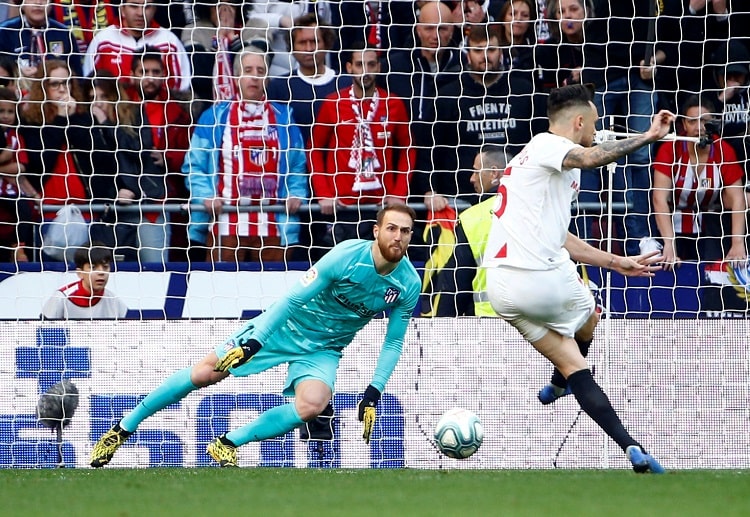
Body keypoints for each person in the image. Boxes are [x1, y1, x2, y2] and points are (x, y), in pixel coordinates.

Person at [89, 204, 421, 468]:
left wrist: (374, 391)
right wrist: (254, 341)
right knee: (205, 373)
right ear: (376, 230)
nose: (398, 237)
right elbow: (291, 300)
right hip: (284, 328)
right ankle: (122, 429)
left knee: (313, 404)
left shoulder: (408, 283)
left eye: (405, 231)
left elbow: (393, 341)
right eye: (391, 228)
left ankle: (227, 443)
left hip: (324, 348)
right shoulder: (347, 255)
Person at [482, 83, 674, 473]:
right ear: (580, 122)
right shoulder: (548, 145)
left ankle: (629, 446)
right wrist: (648, 136)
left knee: (574, 366)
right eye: (594, 123)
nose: (596, 130)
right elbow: (590, 158)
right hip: (538, 276)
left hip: (500, 288)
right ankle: (570, 389)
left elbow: (560, 236)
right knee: (591, 317)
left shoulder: (530, 160)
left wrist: (615, 261)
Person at [184, 46, 308, 263]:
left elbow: (297, 165)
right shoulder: (213, 117)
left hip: (275, 227)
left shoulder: (284, 118)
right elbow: (194, 165)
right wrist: (205, 196)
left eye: (261, 71)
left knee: (274, 283)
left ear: (267, 78)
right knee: (222, 283)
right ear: (236, 77)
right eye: (248, 70)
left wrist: (296, 193)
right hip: (225, 225)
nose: (254, 77)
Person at [309, 42, 413, 255]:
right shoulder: (333, 103)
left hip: (381, 208)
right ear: (349, 67)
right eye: (359, 64)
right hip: (341, 208)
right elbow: (314, 149)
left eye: (371, 64)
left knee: (379, 267)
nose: (365, 70)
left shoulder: (393, 103)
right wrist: (324, 193)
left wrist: (398, 192)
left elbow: (408, 149)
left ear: (379, 67)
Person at [651, 95, 746, 270]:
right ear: (684, 124)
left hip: (711, 226)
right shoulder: (670, 149)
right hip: (670, 223)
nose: (699, 127)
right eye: (692, 121)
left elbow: (738, 198)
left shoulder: (723, 150)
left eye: (704, 121)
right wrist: (669, 244)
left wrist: (738, 243)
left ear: (714, 123)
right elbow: (659, 198)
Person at [429, 144, 509, 317]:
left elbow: (455, 284)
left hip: (488, 320)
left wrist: (444, 326)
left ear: (494, 173)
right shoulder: (541, 209)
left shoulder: (473, 217)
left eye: (476, 171)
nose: (472, 178)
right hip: (541, 321)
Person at [83, 0, 192, 92]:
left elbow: (182, 88)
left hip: (160, 110)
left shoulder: (170, 42)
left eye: (147, 7)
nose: (140, 13)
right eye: (134, 6)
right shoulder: (102, 41)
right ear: (122, 9)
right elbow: (88, 83)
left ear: (154, 9)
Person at [41, 243, 128, 319]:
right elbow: (43, 331)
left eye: (105, 267)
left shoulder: (113, 301)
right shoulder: (61, 298)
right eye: (93, 267)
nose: (101, 272)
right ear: (80, 273)